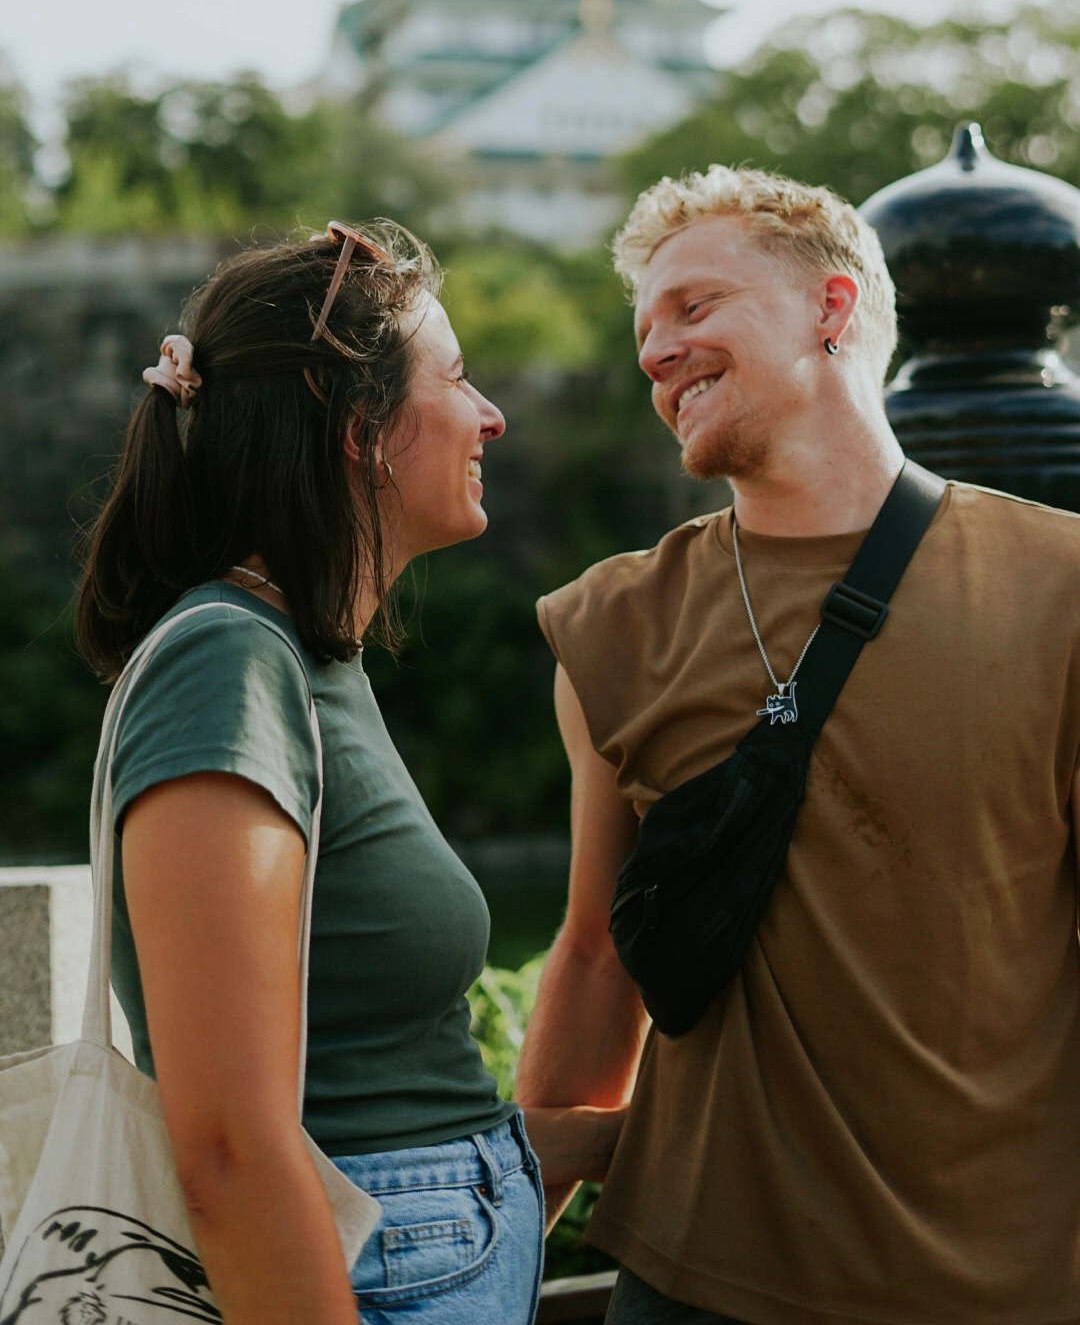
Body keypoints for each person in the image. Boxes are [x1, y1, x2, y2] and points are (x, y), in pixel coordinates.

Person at [516, 164, 1080, 1325]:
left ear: (831, 309)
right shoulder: (612, 625)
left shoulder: (1059, 589)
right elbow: (593, 958)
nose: (656, 352)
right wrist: (504, 1244)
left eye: (695, 307)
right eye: (644, 330)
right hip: (699, 1281)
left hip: (1003, 1284)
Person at [76, 220, 620, 1325]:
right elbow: (230, 1150)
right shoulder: (226, 663)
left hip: (417, 1252)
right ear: (362, 431)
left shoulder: (304, 657)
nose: (491, 416)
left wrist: (674, 1139)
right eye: (460, 378)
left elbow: (371, 1092)